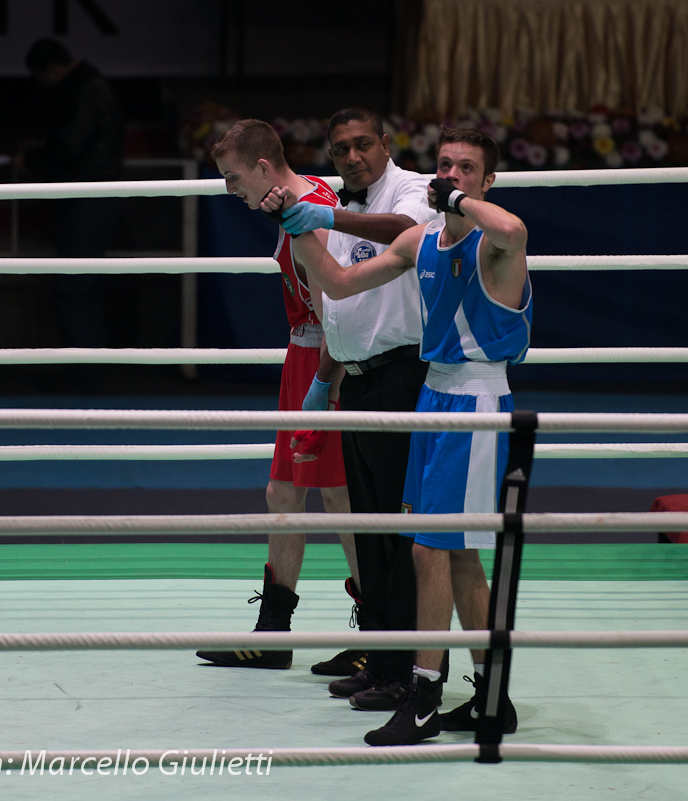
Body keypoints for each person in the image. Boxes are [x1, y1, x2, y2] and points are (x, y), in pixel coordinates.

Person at [290, 127, 531, 746]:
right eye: (445, 165)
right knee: (456, 555)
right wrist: (299, 225)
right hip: (433, 395)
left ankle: (423, 697)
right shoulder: (419, 240)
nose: (451, 173)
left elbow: (511, 230)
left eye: (467, 168)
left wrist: (454, 201)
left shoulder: (496, 244)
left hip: (476, 401)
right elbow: (340, 285)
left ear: (486, 181)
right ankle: (491, 699)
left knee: (429, 551)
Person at [259, 106, 443, 708]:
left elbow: (408, 236)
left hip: (404, 375)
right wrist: (325, 380)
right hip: (355, 379)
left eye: (364, 145)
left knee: (395, 530)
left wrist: (322, 215)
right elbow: (335, 299)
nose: (353, 157)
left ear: (386, 144)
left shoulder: (412, 189)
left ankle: (408, 673)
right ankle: (382, 660)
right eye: (341, 150)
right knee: (368, 531)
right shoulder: (337, 214)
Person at [194, 119, 357, 671]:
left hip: (329, 358)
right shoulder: (300, 195)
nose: (230, 190)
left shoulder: (311, 204)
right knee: (283, 492)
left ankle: (381, 637)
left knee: (339, 495)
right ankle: (271, 633)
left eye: (234, 178)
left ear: (264, 167)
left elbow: (337, 298)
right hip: (303, 355)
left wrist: (324, 380)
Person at [16, 38, 124, 392]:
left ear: (50, 71)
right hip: (87, 197)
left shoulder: (88, 90)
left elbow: (68, 146)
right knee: (78, 283)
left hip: (89, 199)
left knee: (76, 285)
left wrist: (33, 159)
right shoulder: (88, 87)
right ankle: (84, 370)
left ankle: (87, 375)